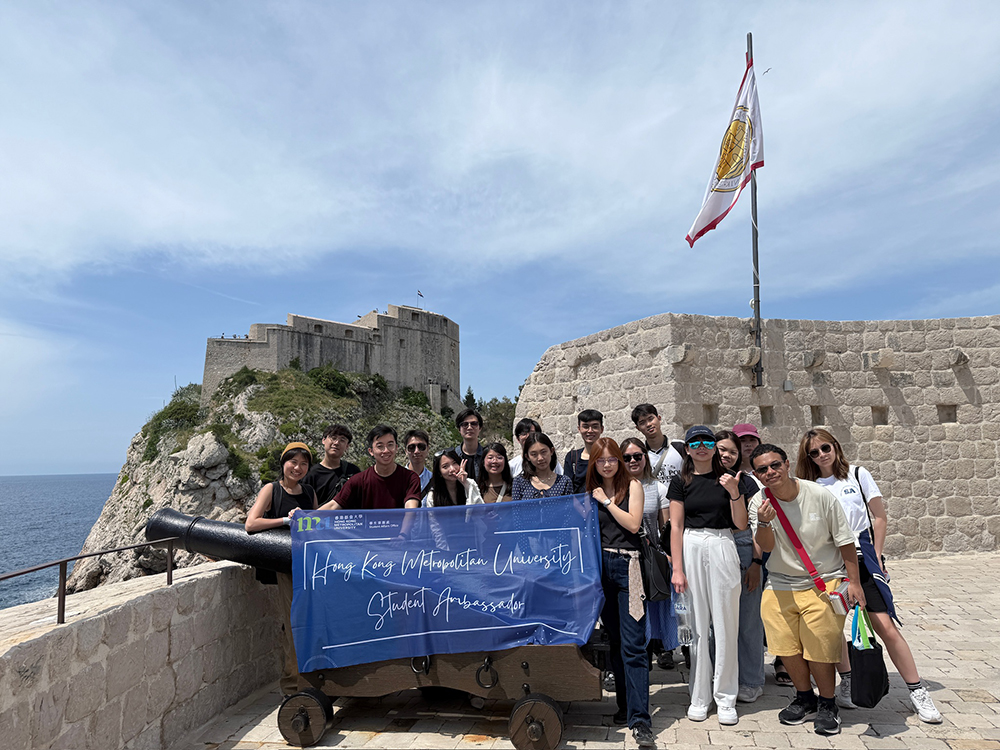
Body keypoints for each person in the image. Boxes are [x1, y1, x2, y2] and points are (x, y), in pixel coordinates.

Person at [795, 429, 942, 723]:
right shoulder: (808, 485)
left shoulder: (857, 475)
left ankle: (917, 690)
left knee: (884, 624)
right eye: (814, 452)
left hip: (861, 558)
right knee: (830, 628)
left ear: (835, 446)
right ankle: (848, 679)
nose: (822, 454)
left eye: (826, 447)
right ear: (807, 457)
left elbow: (879, 517)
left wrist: (876, 557)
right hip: (828, 561)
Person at [748, 443, 864, 736]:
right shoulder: (759, 502)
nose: (770, 472)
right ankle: (804, 697)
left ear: (787, 464)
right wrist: (763, 521)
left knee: (820, 649)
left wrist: (855, 582)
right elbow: (767, 547)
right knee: (786, 647)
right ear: (757, 474)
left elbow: (844, 540)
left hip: (823, 582)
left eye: (775, 465)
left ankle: (828, 703)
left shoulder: (819, 495)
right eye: (762, 469)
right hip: (780, 583)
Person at [668, 426, 748, 725]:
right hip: (691, 544)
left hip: (722, 541)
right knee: (697, 625)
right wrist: (677, 568)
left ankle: (726, 697)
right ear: (687, 448)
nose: (701, 447)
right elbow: (675, 526)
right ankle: (699, 696)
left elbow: (740, 524)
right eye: (695, 442)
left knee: (727, 622)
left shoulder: (729, 479)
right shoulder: (681, 482)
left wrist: (734, 493)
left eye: (707, 442)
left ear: (715, 447)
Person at [587, 437, 656, 749]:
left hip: (628, 567)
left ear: (618, 459)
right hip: (601, 568)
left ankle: (641, 720)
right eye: (600, 460)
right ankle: (625, 707)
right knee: (614, 640)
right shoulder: (590, 491)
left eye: (611, 459)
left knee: (634, 645)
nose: (606, 464)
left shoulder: (632, 486)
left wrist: (606, 501)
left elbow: (632, 523)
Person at [245, 442, 318, 695]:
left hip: (309, 566)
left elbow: (317, 525)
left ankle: (313, 677)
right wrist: (287, 520)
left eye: (303, 463)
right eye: (293, 462)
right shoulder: (272, 489)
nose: (297, 468)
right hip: (286, 565)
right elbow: (251, 523)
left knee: (311, 624)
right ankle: (292, 685)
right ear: (283, 463)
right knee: (292, 624)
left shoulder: (308, 492)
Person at [715, 430, 766, 703]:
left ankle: (751, 680)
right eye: (721, 449)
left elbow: (757, 526)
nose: (726, 455)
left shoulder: (747, 483)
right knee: (717, 620)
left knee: (748, 619)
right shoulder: (701, 479)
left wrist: (756, 562)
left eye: (732, 452)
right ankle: (720, 676)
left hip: (743, 547)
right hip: (713, 547)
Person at [620, 437, 678, 670]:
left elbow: (665, 526)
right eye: (627, 457)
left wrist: (669, 556)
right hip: (626, 555)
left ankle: (661, 648)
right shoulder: (617, 489)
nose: (633, 461)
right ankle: (639, 653)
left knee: (655, 603)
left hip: (651, 555)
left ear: (645, 457)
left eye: (637, 456)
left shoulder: (659, 488)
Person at [320, 425, 421, 512]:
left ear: (397, 448)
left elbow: (410, 510)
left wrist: (403, 534)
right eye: (380, 446)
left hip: (399, 534)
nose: (386, 451)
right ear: (371, 451)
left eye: (390, 445)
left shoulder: (410, 478)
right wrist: (306, 520)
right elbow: (334, 505)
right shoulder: (358, 481)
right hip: (367, 534)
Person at [303, 424, 361, 506]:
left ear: (347, 446)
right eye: (333, 438)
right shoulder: (310, 474)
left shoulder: (353, 471)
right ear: (323, 440)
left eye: (342, 440)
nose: (336, 443)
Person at [511, 433, 575, 501]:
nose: (540, 458)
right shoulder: (519, 482)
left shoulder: (564, 482)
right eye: (534, 454)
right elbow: (516, 510)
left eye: (543, 452)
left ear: (551, 451)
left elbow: (568, 510)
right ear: (527, 457)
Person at [631, 404, 683, 485]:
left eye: (651, 419)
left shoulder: (680, 447)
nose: (648, 424)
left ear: (659, 418)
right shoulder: (640, 456)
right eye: (642, 422)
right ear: (638, 428)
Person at [564, 409, 604, 493]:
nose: (590, 430)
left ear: (602, 429)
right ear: (579, 429)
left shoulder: (609, 456)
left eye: (595, 426)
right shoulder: (572, 458)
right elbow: (568, 489)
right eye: (585, 426)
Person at [447, 408, 486, 482]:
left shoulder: (486, 456)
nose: (469, 427)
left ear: (480, 428)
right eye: (465, 424)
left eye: (474, 424)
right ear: (459, 429)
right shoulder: (452, 457)